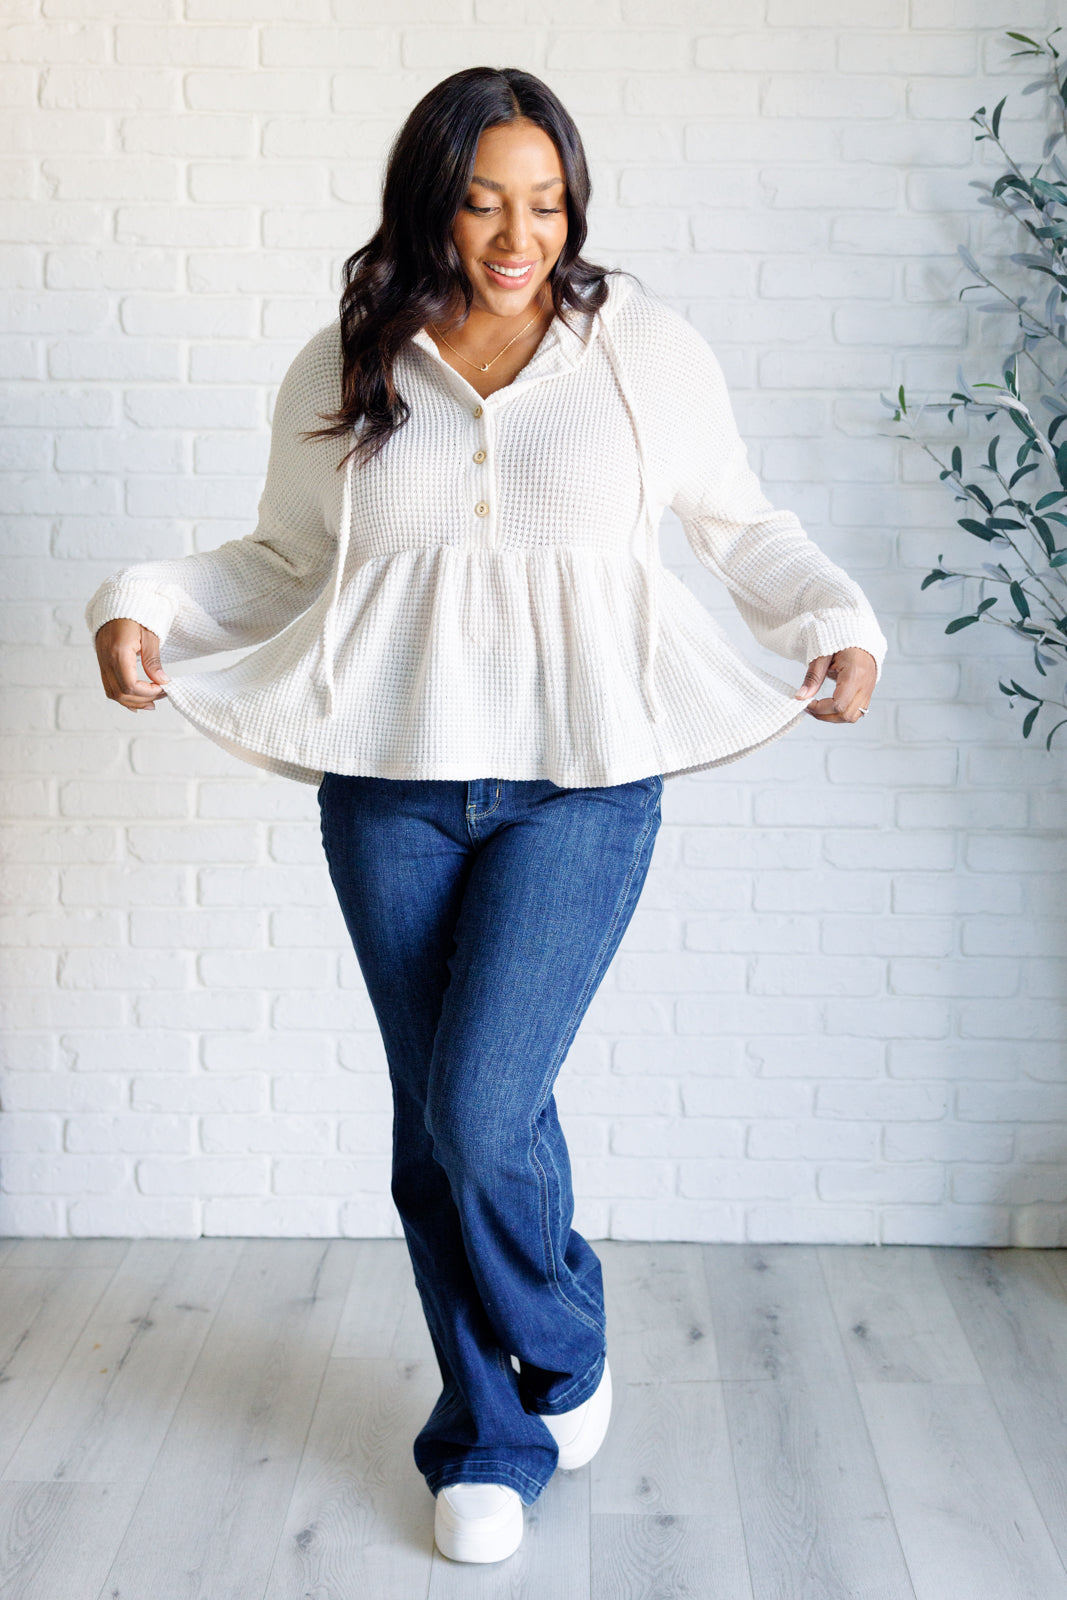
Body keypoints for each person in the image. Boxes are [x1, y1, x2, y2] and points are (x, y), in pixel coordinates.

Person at [87, 66, 887, 1565]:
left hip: (580, 783)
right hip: (389, 787)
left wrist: (835, 620)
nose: (519, 231)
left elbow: (742, 526)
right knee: (432, 1130)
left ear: (573, 199)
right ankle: (490, 1435)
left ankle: (563, 1343)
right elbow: (277, 561)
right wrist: (142, 607)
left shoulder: (642, 352)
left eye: (546, 198)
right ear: (430, 201)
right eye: (483, 199)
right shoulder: (357, 356)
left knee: (478, 1108)